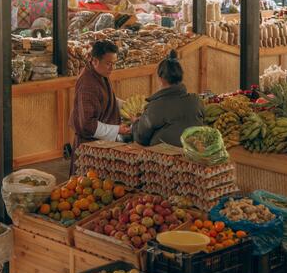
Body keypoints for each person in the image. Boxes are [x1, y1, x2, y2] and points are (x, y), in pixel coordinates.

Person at [69, 40, 130, 174]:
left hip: (100, 144)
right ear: (95, 61)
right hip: (90, 148)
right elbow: (87, 124)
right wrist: (117, 129)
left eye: (114, 63)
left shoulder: (100, 74)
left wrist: (127, 107)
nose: (112, 68)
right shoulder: (87, 84)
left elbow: (106, 99)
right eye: (108, 64)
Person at [132, 50, 204, 147]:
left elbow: (141, 138)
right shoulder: (195, 100)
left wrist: (135, 123)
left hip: (164, 158)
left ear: (161, 78)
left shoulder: (156, 107)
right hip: (194, 153)